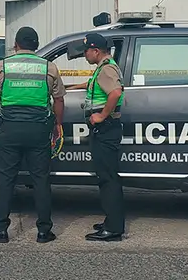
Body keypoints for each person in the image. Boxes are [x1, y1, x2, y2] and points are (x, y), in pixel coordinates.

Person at [0, 26, 66, 244]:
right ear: (36, 46)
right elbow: (58, 99)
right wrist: (58, 124)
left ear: (16, 45)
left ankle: (0, 230)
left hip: (9, 129)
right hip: (39, 130)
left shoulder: (2, 66)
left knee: (6, 180)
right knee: (41, 180)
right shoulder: (49, 67)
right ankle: (43, 231)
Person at [81, 32, 126, 241]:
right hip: (107, 129)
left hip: (106, 128)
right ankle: (111, 220)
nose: (84, 54)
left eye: (86, 50)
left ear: (96, 51)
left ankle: (114, 229)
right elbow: (96, 87)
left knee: (108, 178)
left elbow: (115, 92)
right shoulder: (104, 67)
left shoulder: (106, 68)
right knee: (106, 176)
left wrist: (101, 116)